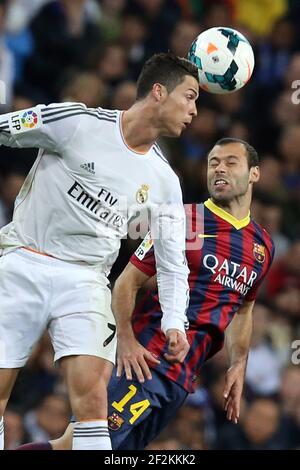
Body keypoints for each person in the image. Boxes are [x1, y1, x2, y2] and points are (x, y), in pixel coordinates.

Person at [18, 138, 275, 450]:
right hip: (144, 362)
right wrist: (125, 340)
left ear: (254, 174)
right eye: (213, 162)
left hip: (181, 380)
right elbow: (127, 283)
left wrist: (238, 364)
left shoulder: (262, 247)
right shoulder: (183, 221)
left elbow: (244, 309)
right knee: (77, 446)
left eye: (230, 162)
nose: (219, 168)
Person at [0, 52, 199, 450]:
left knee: (93, 401)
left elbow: (174, 264)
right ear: (158, 92)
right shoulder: (75, 123)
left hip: (87, 281)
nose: (194, 110)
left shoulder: (166, 182)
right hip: (24, 259)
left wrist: (175, 322)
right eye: (190, 96)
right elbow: (5, 129)